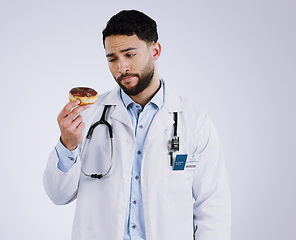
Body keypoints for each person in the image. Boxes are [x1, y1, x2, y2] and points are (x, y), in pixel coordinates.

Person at [43, 9, 231, 240]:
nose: (121, 68)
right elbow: (58, 195)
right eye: (112, 59)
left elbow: (213, 206)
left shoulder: (194, 121)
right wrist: (67, 145)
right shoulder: (88, 117)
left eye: (129, 55)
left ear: (155, 50)